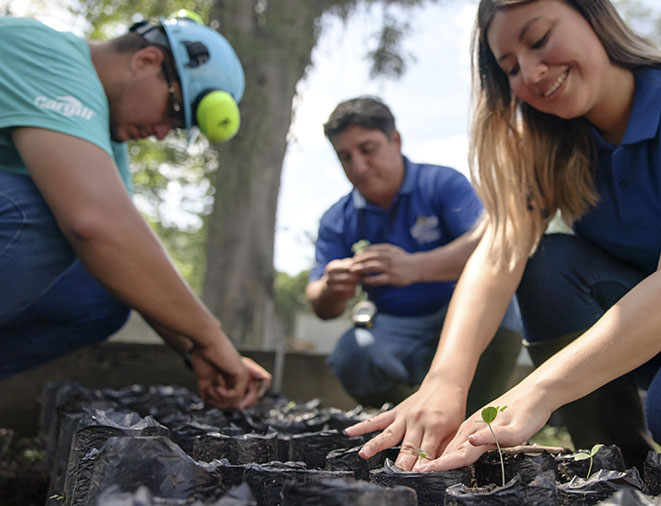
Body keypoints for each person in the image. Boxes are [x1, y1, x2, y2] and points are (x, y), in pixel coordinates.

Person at [344, 0, 661, 482]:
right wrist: (443, 383)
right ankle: (618, 470)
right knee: (545, 262)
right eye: (511, 68)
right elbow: (499, 254)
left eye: (540, 39)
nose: (532, 74)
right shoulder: (548, 142)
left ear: (592, 14)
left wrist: (534, 394)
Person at [0, 12, 271, 409]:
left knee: (101, 297)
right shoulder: (42, 50)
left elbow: (126, 251)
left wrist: (198, 350)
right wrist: (211, 334)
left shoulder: (102, 135)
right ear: (146, 61)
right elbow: (95, 225)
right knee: (50, 213)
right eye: (174, 111)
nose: (163, 132)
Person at [306, 96, 523, 412]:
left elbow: (492, 245)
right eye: (345, 157)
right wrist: (332, 287)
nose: (358, 167)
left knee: (501, 300)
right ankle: (410, 416)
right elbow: (319, 300)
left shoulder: (441, 183)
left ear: (395, 140)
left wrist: (415, 267)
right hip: (395, 329)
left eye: (367, 150)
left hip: (461, 312)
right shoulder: (337, 218)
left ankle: (474, 416)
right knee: (352, 353)